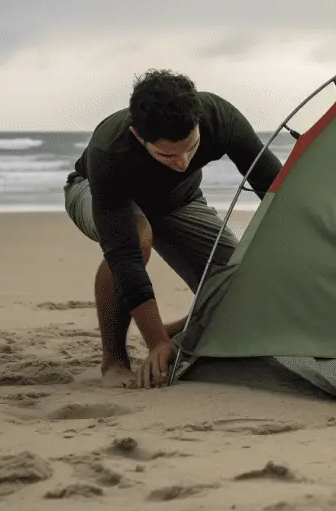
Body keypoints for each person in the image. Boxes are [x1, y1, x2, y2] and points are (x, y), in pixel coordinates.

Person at [63, 69, 281, 389]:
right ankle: (114, 360)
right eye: (167, 154)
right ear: (139, 136)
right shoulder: (110, 150)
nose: (182, 163)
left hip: (178, 201)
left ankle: (173, 332)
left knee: (237, 288)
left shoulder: (220, 118)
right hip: (96, 193)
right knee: (138, 239)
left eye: (190, 148)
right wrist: (154, 345)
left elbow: (274, 187)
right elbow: (123, 253)